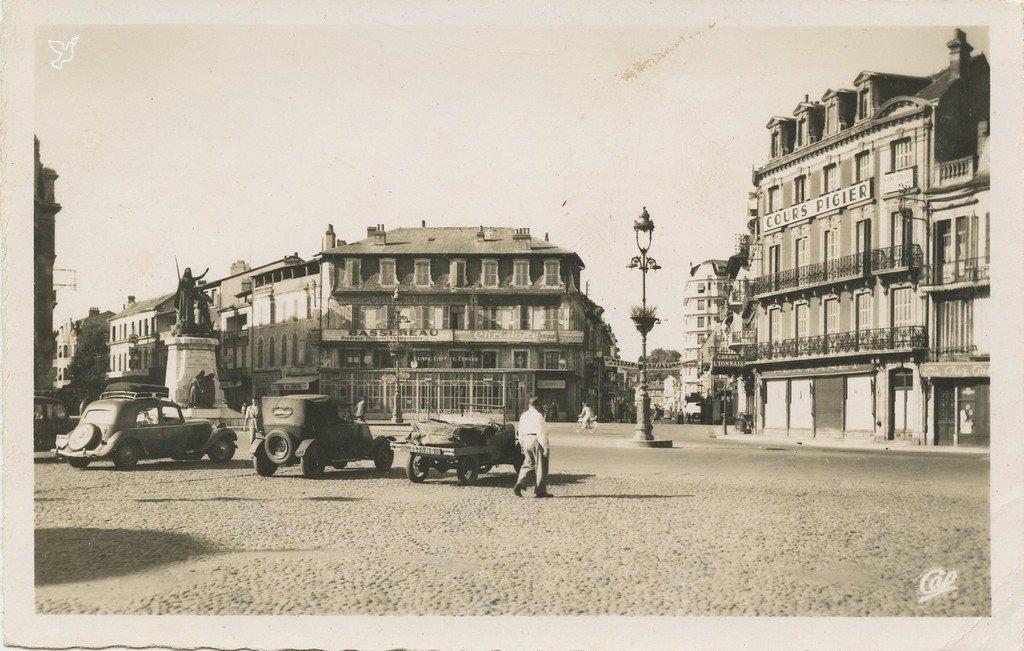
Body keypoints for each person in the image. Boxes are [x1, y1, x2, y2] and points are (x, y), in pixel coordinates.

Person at [513, 396, 552, 498]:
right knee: (541, 466)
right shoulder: (538, 416)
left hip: (526, 440)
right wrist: (545, 446)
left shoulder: (524, 415)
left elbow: (520, 431)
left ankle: (520, 483)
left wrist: (522, 443)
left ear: (529, 405)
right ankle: (540, 490)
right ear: (538, 405)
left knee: (528, 463)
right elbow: (541, 432)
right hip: (536, 440)